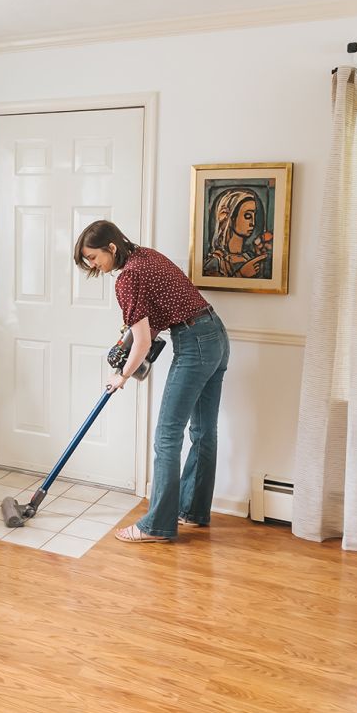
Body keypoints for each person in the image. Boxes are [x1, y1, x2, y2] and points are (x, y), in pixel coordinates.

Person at [73, 220, 229, 543]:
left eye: (93, 257)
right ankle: (193, 511)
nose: (93, 265)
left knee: (166, 436)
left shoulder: (128, 277)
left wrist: (122, 376)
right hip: (215, 335)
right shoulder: (144, 256)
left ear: (111, 248)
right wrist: (126, 347)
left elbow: (143, 340)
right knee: (202, 431)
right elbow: (148, 326)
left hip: (194, 344)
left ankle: (156, 526)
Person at [202, 188, 271, 279]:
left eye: (254, 216)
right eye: (247, 216)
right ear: (231, 218)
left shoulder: (250, 256)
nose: (253, 223)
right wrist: (241, 274)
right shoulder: (216, 261)